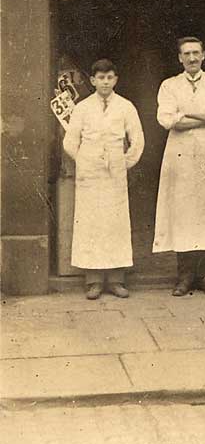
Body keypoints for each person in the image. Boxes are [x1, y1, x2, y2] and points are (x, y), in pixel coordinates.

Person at [153, 36, 205, 296]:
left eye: (196, 53)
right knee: (183, 212)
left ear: (203, 54)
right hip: (181, 157)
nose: (192, 58)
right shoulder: (169, 86)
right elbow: (167, 120)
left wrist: (188, 114)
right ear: (179, 58)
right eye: (186, 54)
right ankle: (185, 275)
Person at [63, 58, 144, 300]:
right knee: (91, 223)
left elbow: (137, 140)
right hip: (90, 174)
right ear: (93, 80)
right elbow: (69, 141)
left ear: (115, 79)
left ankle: (117, 279)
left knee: (115, 223)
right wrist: (85, 160)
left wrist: (124, 163)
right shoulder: (83, 108)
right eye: (101, 78)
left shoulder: (126, 107)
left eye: (109, 77)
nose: (105, 82)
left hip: (115, 172)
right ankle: (94, 281)